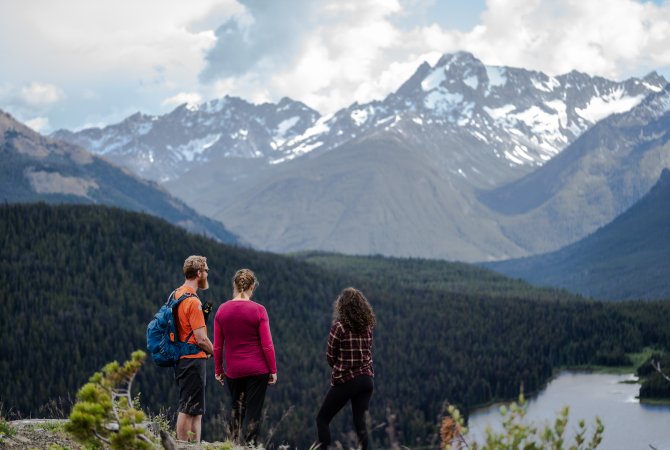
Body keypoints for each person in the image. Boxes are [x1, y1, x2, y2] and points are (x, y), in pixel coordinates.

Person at [213, 268, 277, 445]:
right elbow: (267, 345)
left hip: (234, 371)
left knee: (236, 408)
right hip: (258, 370)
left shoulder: (222, 311)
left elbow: (218, 346)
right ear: (253, 286)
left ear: (234, 285)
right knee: (253, 412)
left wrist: (218, 369)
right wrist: (273, 370)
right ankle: (250, 447)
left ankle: (232, 445)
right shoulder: (259, 310)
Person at [316, 287, 376, 450]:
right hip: (366, 380)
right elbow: (368, 351)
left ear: (342, 307)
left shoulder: (339, 327)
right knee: (360, 424)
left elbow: (330, 356)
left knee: (322, 419)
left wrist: (340, 366)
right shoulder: (368, 327)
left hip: (346, 380)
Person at [173, 255, 214, 443]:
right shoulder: (194, 302)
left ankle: (187, 445)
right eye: (205, 270)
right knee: (190, 408)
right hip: (194, 359)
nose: (207, 273)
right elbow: (201, 338)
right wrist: (216, 352)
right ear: (199, 273)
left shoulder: (177, 294)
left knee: (191, 407)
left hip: (181, 356)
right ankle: (186, 445)